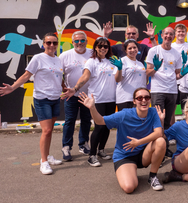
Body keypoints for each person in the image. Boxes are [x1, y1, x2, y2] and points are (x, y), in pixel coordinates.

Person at [0, 33, 63, 175]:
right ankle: (43, 162)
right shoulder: (38, 58)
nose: (51, 45)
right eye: (48, 43)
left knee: (50, 130)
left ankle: (48, 156)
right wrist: (12, 87)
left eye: (54, 43)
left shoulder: (58, 60)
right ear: (43, 44)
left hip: (55, 98)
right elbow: (26, 75)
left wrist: (65, 88)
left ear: (57, 44)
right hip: (42, 99)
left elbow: (58, 78)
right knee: (47, 131)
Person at [78, 87, 166, 193]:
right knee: (129, 188)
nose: (144, 100)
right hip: (125, 156)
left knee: (161, 141)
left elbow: (159, 133)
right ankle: (129, 172)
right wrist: (92, 108)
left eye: (147, 97)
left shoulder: (153, 112)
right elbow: (100, 121)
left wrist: (138, 142)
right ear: (134, 101)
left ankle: (152, 176)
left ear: (150, 100)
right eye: (140, 98)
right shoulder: (124, 114)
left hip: (144, 154)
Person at [62, 37, 117, 167]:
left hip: (111, 98)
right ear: (95, 48)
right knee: (99, 126)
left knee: (107, 126)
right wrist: (75, 88)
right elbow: (85, 76)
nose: (103, 48)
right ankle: (92, 155)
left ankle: (101, 150)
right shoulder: (91, 62)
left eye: (105, 46)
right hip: (97, 99)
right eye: (100, 46)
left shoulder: (112, 61)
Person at [146, 27, 188, 131]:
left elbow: (176, 75)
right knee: (157, 119)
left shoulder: (176, 53)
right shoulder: (154, 51)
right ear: (162, 36)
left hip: (172, 91)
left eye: (171, 34)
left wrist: (182, 75)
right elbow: (147, 72)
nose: (168, 36)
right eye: (166, 33)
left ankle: (165, 144)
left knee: (167, 120)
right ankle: (157, 144)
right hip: (158, 90)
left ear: (173, 37)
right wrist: (155, 69)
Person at [59, 31, 92, 161]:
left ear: (86, 41)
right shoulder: (65, 56)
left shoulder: (92, 53)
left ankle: (83, 144)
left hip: (87, 94)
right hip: (71, 95)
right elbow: (58, 73)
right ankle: (66, 147)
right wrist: (63, 88)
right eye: (77, 41)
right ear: (72, 42)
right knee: (69, 121)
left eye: (82, 40)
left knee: (86, 120)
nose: (80, 43)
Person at [113, 39, 147, 111]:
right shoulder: (122, 61)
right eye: (130, 48)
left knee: (139, 121)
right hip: (126, 99)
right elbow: (117, 79)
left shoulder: (140, 64)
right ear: (125, 51)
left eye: (134, 47)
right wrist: (119, 69)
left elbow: (144, 81)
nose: (133, 50)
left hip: (139, 99)